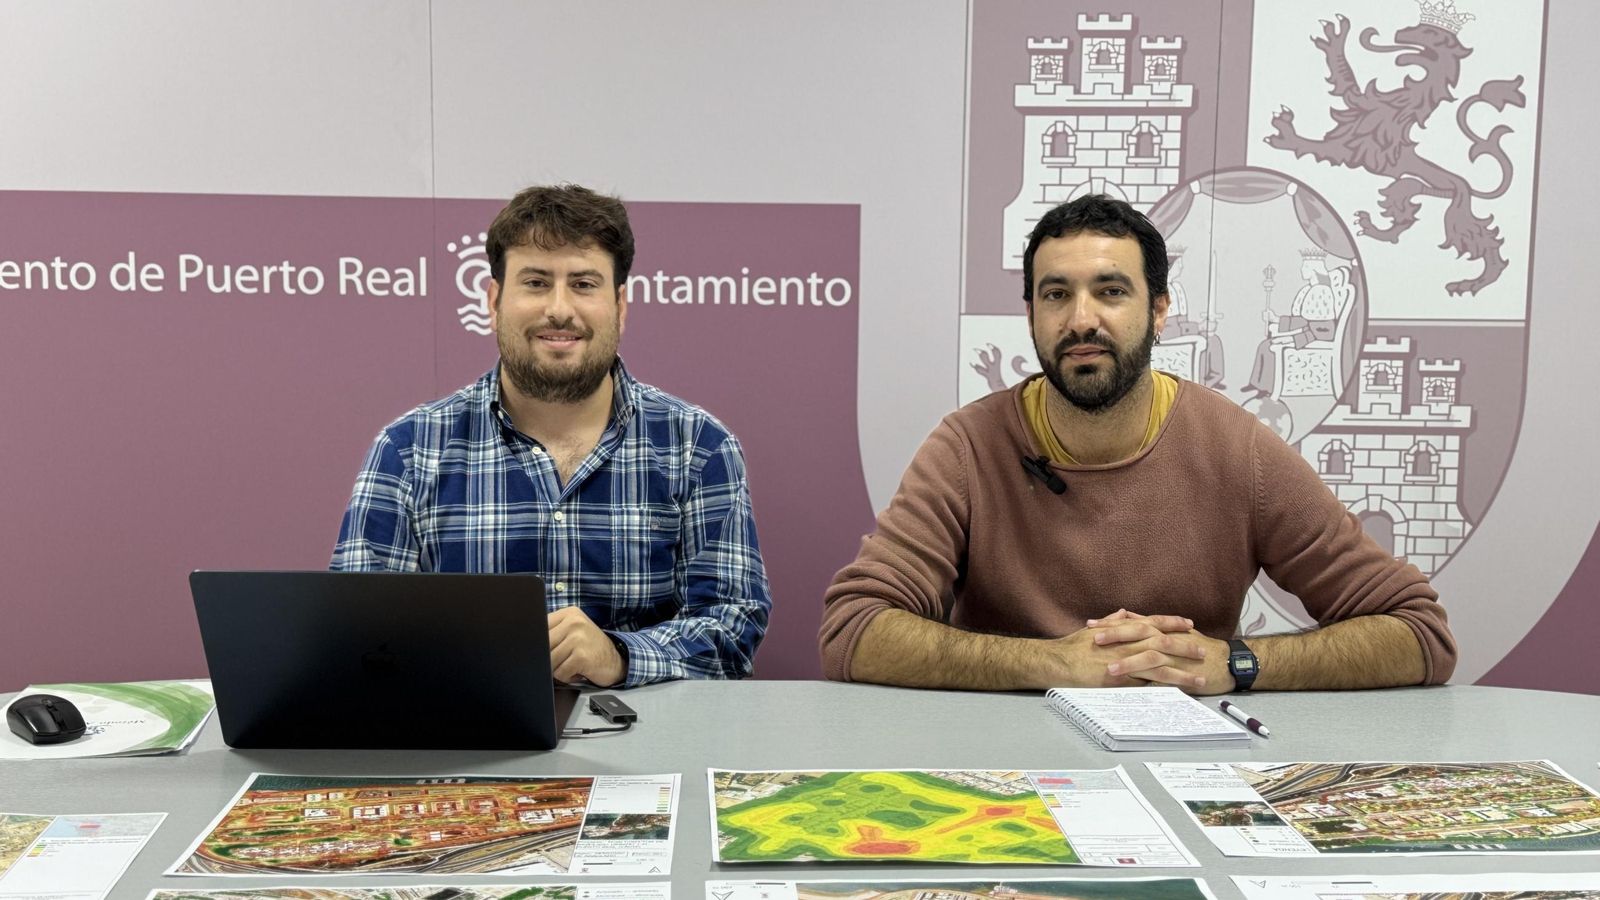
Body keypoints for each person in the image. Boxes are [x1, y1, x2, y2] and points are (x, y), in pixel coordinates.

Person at [819, 194, 1454, 693]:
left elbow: (1417, 634)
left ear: (1159, 310)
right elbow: (855, 629)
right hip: (1003, 770)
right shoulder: (967, 447)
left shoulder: (1239, 450)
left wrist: (1234, 662)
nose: (1081, 320)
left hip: (1191, 771)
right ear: (1032, 314)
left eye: (1111, 291)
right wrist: (1056, 664)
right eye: (1056, 295)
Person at [332, 184, 771, 688]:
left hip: (648, 749)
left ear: (621, 305)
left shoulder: (698, 446)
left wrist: (620, 656)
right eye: (536, 283)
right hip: (468, 748)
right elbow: (358, 640)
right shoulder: (409, 450)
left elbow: (733, 631)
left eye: (584, 284)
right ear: (494, 301)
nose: (560, 309)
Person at [1245, 249, 1350, 399]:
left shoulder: (1321, 291)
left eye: (1305, 267)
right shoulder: (1309, 290)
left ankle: (1268, 388)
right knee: (1264, 344)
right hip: (1310, 331)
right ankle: (1257, 383)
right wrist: (1276, 319)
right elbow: (1303, 319)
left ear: (1314, 270)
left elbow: (1320, 326)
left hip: (1317, 335)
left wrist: (1293, 337)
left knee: (1271, 347)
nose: (1302, 270)